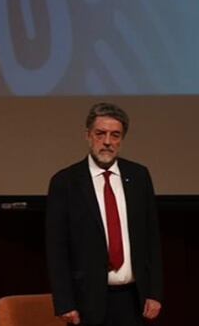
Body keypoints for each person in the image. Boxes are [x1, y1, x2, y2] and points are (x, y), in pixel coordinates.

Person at [45, 102, 163, 325]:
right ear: (88, 135)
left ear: (122, 139)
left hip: (133, 300)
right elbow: (56, 248)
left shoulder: (139, 176)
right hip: (86, 301)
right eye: (100, 134)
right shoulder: (65, 182)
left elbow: (152, 239)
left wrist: (154, 293)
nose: (107, 141)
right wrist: (64, 301)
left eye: (115, 135)